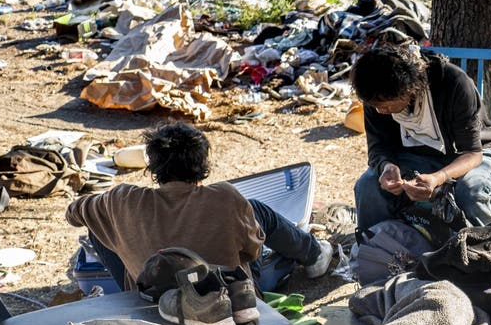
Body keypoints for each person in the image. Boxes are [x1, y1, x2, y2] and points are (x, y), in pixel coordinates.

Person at [66, 123, 334, 292]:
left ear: (153, 168)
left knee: (97, 226)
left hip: (155, 298)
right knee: (256, 211)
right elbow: (253, 250)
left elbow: (74, 214)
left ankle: (130, 296)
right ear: (202, 167)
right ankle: (314, 255)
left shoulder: (122, 200)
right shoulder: (226, 198)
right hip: (226, 299)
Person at [351, 43, 491, 232]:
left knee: (472, 191)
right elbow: (378, 146)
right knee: (368, 186)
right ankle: (375, 250)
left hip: (471, 153)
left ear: (409, 90)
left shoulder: (454, 82)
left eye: (388, 106)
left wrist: (439, 177)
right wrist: (387, 166)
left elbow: (472, 153)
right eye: (375, 106)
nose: (381, 111)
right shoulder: (375, 93)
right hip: (417, 155)